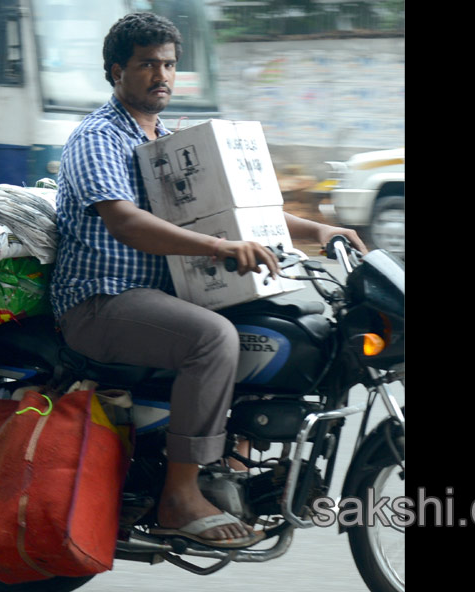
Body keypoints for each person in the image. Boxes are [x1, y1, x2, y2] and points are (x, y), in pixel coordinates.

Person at [49, 12, 366, 549]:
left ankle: (235, 464)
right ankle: (180, 495)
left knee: (277, 325)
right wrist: (219, 247)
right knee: (211, 339)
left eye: (169, 64)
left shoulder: (168, 142)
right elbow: (125, 220)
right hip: (101, 303)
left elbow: (239, 211)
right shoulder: (98, 138)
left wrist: (319, 228)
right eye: (147, 64)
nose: (162, 75)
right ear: (116, 71)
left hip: (157, 297)